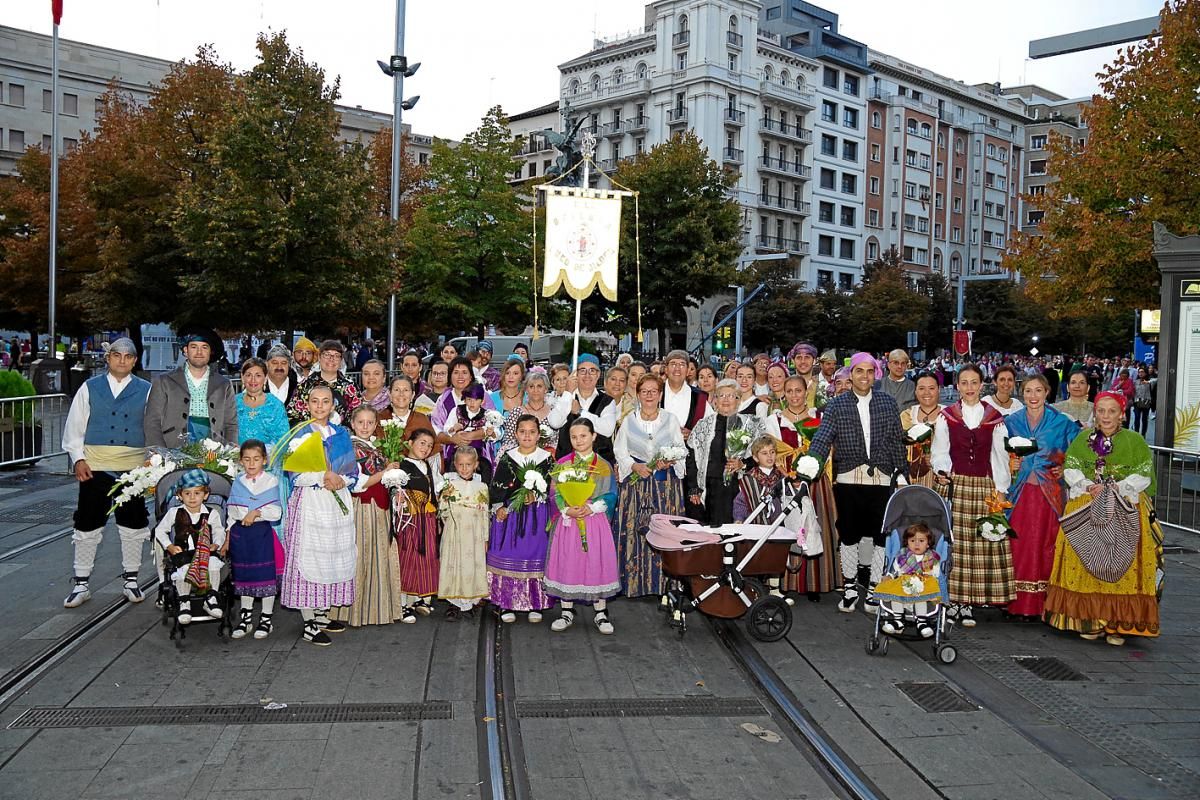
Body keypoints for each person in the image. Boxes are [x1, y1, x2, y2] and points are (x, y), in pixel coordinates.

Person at [1045, 391, 1161, 645]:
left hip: (1124, 508)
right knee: (1086, 564)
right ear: (1095, 413)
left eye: (1112, 411)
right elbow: (1072, 467)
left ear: (1121, 414)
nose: (1106, 416)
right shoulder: (1083, 438)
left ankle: (1116, 624)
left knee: (1123, 566)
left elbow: (1144, 473)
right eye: (1101, 411)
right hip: (1088, 506)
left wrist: (1119, 487)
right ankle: (1091, 621)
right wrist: (1087, 485)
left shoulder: (1135, 441)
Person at [807, 353, 907, 614]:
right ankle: (850, 587)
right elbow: (822, 437)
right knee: (849, 534)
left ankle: (874, 588)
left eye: (869, 371)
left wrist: (902, 474)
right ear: (850, 375)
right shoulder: (837, 405)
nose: (864, 376)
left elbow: (897, 441)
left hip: (882, 478)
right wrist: (811, 462)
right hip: (848, 479)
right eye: (859, 371)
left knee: (880, 535)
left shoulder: (887, 402)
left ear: (876, 374)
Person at [61, 337, 152, 608]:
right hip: (95, 465)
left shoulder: (147, 390)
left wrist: (151, 460)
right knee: (88, 522)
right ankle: (81, 582)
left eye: (127, 356)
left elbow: (153, 427)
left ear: (134, 361)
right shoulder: (90, 388)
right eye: (116, 355)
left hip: (133, 467)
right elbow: (74, 427)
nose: (122, 360)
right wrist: (78, 459)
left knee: (134, 523)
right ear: (108, 358)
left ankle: (132, 580)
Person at [932, 364, 1012, 627]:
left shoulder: (994, 418)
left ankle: (968, 602)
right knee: (956, 544)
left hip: (983, 486)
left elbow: (999, 456)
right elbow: (940, 451)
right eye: (964, 382)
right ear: (957, 386)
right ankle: (952, 599)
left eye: (973, 382)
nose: (969, 387)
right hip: (957, 484)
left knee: (978, 546)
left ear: (981, 385)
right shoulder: (948, 416)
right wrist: (943, 471)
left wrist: (1000, 487)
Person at [280, 385, 358, 646]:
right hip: (311, 500)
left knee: (332, 554)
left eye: (325, 401)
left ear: (333, 405)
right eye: (315, 401)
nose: (320, 406)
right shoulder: (300, 433)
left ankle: (322, 613)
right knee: (310, 556)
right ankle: (309, 620)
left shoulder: (341, 434)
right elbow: (295, 473)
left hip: (335, 502)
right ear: (307, 404)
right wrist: (322, 476)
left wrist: (342, 480)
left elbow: (351, 469)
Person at [1005, 374, 1078, 620]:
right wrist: (1010, 464)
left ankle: (1044, 603)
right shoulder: (1010, 421)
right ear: (1021, 393)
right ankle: (1015, 602)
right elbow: (997, 452)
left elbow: (1080, 451)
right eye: (1028, 391)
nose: (1033, 396)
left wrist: (1065, 466)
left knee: (1046, 544)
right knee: (1018, 544)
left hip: (1049, 493)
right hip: (1019, 492)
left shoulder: (1062, 422)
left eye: (1038, 390)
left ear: (1047, 392)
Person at [328, 406, 405, 627]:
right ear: (352, 423)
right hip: (362, 505)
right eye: (360, 422)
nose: (364, 426)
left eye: (370, 422)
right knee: (361, 553)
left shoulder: (376, 446)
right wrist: (385, 472)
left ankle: (378, 608)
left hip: (379, 505)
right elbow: (358, 483)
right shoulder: (349, 447)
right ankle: (354, 611)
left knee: (378, 553)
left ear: (375, 425)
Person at [613, 373, 686, 598]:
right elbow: (619, 450)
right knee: (636, 532)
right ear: (638, 394)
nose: (649, 395)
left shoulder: (670, 419)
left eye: (654, 391)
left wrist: (670, 460)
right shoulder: (629, 420)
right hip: (636, 487)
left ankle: (665, 585)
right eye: (645, 391)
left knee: (663, 533)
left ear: (660, 395)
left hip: (664, 488)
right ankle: (634, 583)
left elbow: (681, 448)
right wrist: (633, 466)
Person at [545, 419, 621, 635]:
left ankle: (601, 612)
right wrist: (566, 509)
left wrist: (594, 506)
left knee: (594, 561)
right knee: (568, 560)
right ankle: (566, 611)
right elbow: (555, 492)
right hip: (569, 521)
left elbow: (611, 493)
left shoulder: (604, 466)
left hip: (594, 520)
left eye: (583, 436)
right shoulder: (562, 464)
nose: (578, 441)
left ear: (593, 436)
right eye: (574, 437)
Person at [766, 375, 839, 600]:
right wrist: (789, 474)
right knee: (792, 529)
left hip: (815, 483)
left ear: (805, 392)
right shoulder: (774, 420)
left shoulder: (819, 416)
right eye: (790, 391)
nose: (795, 395)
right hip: (789, 481)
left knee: (815, 529)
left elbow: (828, 448)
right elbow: (775, 453)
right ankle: (789, 582)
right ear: (784, 394)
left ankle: (814, 584)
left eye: (799, 391)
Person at [488, 415, 554, 623]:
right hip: (511, 516)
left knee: (535, 555)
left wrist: (538, 496)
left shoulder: (547, 458)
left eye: (532, 431)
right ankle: (507, 603)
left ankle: (536, 603)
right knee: (511, 554)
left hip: (536, 515)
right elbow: (497, 485)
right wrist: (499, 507)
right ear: (516, 434)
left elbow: (553, 488)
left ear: (538, 435)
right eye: (523, 431)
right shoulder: (508, 457)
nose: (527, 435)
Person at [686, 379, 766, 526]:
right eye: (721, 395)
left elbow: (762, 455)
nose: (726, 400)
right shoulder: (703, 426)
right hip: (710, 489)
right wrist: (693, 488)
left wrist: (743, 464)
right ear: (715, 400)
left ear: (739, 400)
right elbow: (691, 458)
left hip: (739, 488)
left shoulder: (751, 425)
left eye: (731, 396)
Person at [226, 439, 283, 639]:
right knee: (245, 578)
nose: (251, 463)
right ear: (241, 461)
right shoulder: (238, 482)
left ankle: (266, 619)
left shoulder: (270, 481)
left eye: (256, 459)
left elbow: (275, 512)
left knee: (265, 577)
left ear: (264, 461)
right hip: (241, 536)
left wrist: (256, 512)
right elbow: (232, 510)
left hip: (262, 535)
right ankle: (246, 619)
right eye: (247, 459)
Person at [154, 468, 227, 624]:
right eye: (187, 494)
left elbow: (220, 531)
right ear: (180, 495)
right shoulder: (175, 512)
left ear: (205, 495)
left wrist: (217, 543)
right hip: (183, 552)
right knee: (183, 570)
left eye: (197, 493)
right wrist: (169, 546)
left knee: (213, 565)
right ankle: (184, 601)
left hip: (205, 551)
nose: (192, 498)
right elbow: (160, 530)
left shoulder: (211, 513)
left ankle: (211, 597)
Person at [144, 332, 238, 448]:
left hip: (214, 451)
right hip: (173, 448)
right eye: (194, 347)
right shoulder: (164, 381)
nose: (199, 352)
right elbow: (152, 421)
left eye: (204, 347)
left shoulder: (224, 384)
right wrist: (159, 452)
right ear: (185, 350)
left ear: (210, 351)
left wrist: (230, 450)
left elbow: (231, 424)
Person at [394, 428, 441, 623]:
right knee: (408, 558)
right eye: (422, 443)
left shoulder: (427, 465)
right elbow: (395, 493)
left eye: (430, 445)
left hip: (427, 518)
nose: (426, 448)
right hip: (410, 520)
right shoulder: (401, 466)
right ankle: (403, 604)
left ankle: (420, 597)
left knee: (427, 558)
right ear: (411, 443)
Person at [437, 446, 490, 619]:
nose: (464, 468)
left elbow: (484, 513)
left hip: (474, 535)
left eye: (468, 464)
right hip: (454, 533)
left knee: (470, 567)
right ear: (455, 465)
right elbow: (443, 510)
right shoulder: (449, 485)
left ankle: (469, 602)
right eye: (461, 465)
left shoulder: (481, 487)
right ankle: (453, 603)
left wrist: (485, 538)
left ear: (476, 465)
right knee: (453, 565)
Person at [547, 354, 617, 464]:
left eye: (592, 370)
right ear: (575, 374)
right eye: (582, 370)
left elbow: (607, 430)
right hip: (568, 464)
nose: (587, 375)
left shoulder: (607, 401)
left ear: (598, 374)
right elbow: (555, 422)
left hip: (600, 465)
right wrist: (568, 393)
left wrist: (580, 412)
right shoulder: (565, 398)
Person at [878, 523, 941, 638]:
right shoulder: (902, 556)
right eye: (912, 540)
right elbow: (894, 571)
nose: (917, 544)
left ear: (928, 544)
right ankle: (898, 620)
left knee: (921, 596)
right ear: (907, 542)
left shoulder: (932, 558)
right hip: (903, 588)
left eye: (921, 541)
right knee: (894, 593)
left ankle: (922, 622)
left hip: (922, 588)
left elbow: (935, 575)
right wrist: (889, 576)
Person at [432, 356, 497, 466]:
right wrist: (453, 438)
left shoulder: (483, 397)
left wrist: (475, 434)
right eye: (456, 372)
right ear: (450, 376)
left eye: (464, 372)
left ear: (471, 376)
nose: (460, 376)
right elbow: (436, 430)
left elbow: (495, 426)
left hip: (480, 454)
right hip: (452, 454)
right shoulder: (443, 400)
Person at [287, 339, 362, 426]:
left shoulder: (351, 386)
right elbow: (292, 415)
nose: (331, 359)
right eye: (327, 355)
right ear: (319, 357)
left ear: (341, 360)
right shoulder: (305, 385)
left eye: (336, 356)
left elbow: (359, 416)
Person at [900, 373, 944, 488]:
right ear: (915, 391)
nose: (927, 393)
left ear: (939, 389)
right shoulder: (906, 416)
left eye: (931, 388)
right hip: (910, 479)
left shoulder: (950, 415)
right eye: (921, 388)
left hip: (942, 479)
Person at [236, 358, 289, 453]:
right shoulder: (233, 402)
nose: (253, 380)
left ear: (265, 378)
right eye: (248, 375)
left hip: (268, 462)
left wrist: (261, 456)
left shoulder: (275, 405)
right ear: (242, 377)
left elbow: (283, 440)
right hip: (236, 460)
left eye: (258, 375)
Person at [661, 350, 710, 441]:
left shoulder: (699, 398)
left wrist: (694, 435)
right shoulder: (655, 392)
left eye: (682, 364)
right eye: (673, 364)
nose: (677, 368)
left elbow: (710, 429)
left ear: (688, 371)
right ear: (666, 369)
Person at [490, 356, 528, 456]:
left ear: (521, 376)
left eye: (515, 373)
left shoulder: (528, 398)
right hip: (495, 450)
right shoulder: (492, 398)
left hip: (524, 449)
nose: (511, 377)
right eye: (507, 373)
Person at [264, 344, 300, 409]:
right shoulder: (256, 389)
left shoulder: (299, 389)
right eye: (275, 363)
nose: (279, 367)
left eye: (283, 363)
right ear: (267, 364)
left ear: (289, 365)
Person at [788, 343, 819, 407]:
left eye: (807, 357)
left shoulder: (823, 387)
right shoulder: (785, 386)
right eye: (799, 357)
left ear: (814, 361)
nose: (803, 361)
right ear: (793, 361)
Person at [1132, 367, 1153, 436]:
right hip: (1137, 402)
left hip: (1146, 402)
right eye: (1139, 372)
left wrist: (1149, 382)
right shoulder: (1135, 381)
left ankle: (1143, 434)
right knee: (1137, 418)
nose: (1140, 373)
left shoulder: (1150, 381)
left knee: (1144, 419)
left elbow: (1157, 380)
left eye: (1142, 372)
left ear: (1145, 373)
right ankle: (1136, 434)